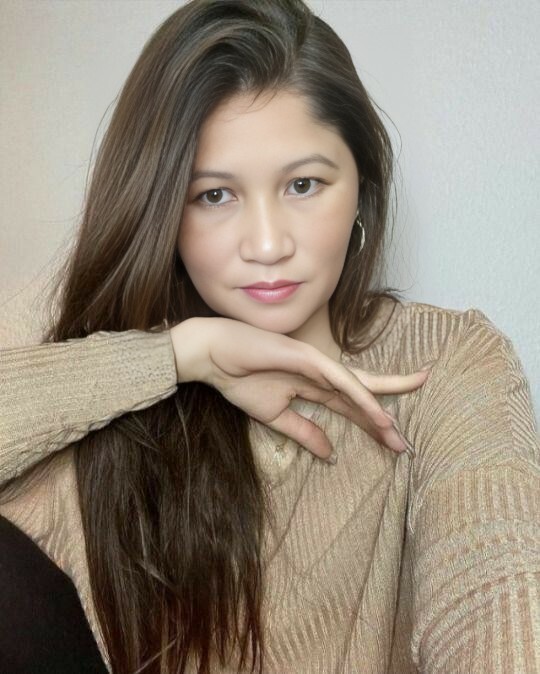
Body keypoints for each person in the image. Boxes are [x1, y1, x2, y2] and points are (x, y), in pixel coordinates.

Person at [0, 1, 538, 672]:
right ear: (163, 209)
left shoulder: (447, 362)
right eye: (214, 196)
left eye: (303, 185)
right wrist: (177, 356)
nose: (266, 244)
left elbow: (498, 587)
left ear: (362, 188)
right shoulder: (96, 380)